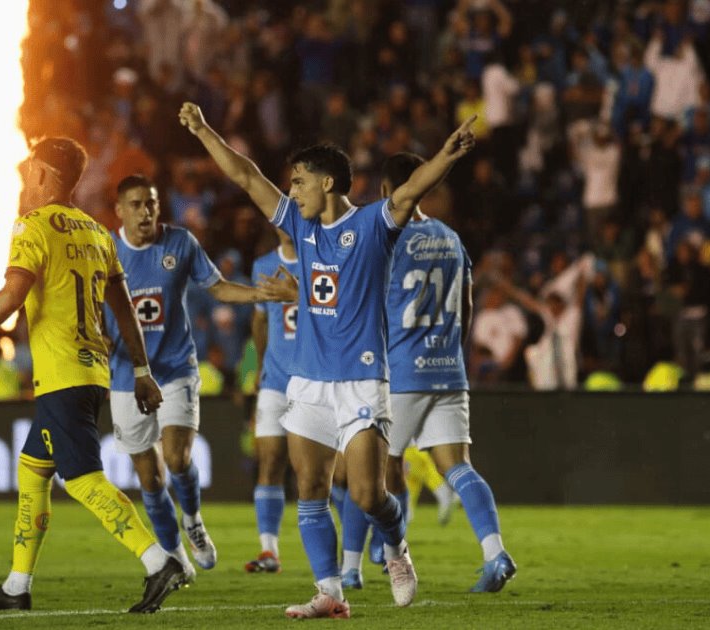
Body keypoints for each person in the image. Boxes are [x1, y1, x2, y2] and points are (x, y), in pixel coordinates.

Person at [179, 102, 475, 618]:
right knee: (311, 488)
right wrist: (204, 131)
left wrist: (446, 155)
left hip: (362, 381)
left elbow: (410, 191)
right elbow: (247, 177)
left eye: (299, 181)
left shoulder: (371, 225)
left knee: (367, 494)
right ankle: (329, 592)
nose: (290, 190)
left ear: (330, 183)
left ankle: (397, 550)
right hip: (309, 381)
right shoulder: (300, 225)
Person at [0, 138, 181, 614]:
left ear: (43, 173)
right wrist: (142, 370)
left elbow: (11, 296)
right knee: (32, 471)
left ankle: (157, 561)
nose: (25, 178)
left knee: (83, 478)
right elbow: (124, 309)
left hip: (62, 373)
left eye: (29, 170)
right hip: (92, 372)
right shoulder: (97, 232)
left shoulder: (33, 226)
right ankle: (17, 585)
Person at [104, 174, 291, 581]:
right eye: (135, 204)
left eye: (151, 202)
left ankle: (193, 520)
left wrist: (260, 295)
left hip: (175, 367)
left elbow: (218, 288)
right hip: (125, 376)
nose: (145, 211)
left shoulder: (180, 243)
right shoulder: (105, 252)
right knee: (149, 477)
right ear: (119, 210)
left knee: (177, 457)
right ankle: (174, 555)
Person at [378, 152, 516, 592]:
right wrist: (454, 352)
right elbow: (467, 303)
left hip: (402, 370)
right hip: (448, 369)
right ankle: (495, 553)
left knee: (384, 464)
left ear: (389, 190)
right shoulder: (451, 238)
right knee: (457, 466)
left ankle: (392, 554)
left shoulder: (389, 241)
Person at [244, 227, 301, 574]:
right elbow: (260, 321)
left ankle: (349, 558)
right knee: (270, 462)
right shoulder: (263, 266)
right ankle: (269, 551)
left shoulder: (318, 260)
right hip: (275, 382)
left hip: (314, 382)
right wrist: (261, 366)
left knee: (326, 473)